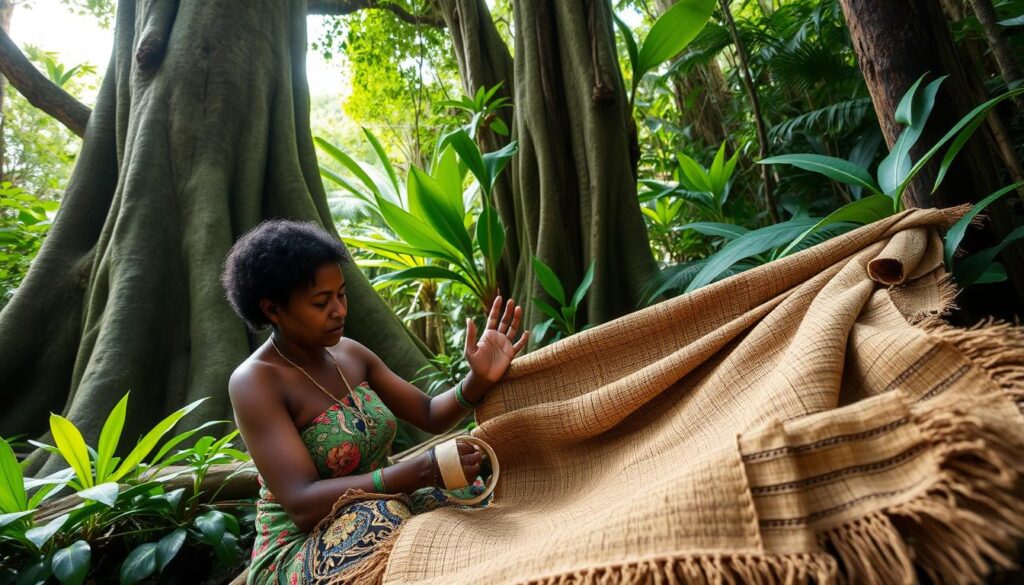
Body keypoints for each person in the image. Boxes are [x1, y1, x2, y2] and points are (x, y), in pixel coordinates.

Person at [220, 220, 529, 584]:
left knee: (462, 499)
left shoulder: (349, 354)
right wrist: (415, 473)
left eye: (342, 294)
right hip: (304, 543)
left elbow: (428, 413)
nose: (339, 310)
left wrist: (477, 379)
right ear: (273, 309)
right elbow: (302, 504)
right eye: (322, 302)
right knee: (382, 519)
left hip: (391, 502)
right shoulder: (255, 382)